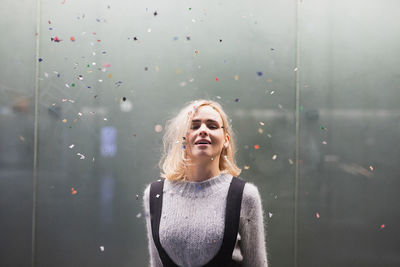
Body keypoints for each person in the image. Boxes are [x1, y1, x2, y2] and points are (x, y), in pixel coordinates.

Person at [143, 99, 268, 267]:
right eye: (194, 126)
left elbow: (257, 264)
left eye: (212, 126)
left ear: (225, 140)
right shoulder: (154, 195)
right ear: (183, 139)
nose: (203, 130)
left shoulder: (245, 195)